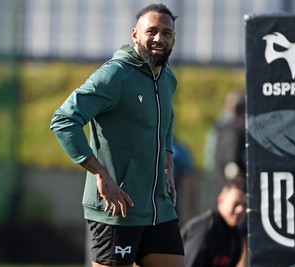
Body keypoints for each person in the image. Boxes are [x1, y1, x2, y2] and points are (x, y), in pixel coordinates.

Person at [50, 4, 185, 267]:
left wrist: (167, 157)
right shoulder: (115, 75)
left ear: (174, 39)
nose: (159, 39)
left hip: (159, 209)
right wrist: (99, 173)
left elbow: (167, 120)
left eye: (166, 33)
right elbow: (64, 120)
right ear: (135, 34)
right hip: (118, 210)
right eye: (152, 31)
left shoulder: (168, 78)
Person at [181, 178, 247, 267]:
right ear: (221, 200)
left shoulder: (235, 236)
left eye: (244, 205)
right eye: (236, 204)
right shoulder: (204, 231)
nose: (240, 210)